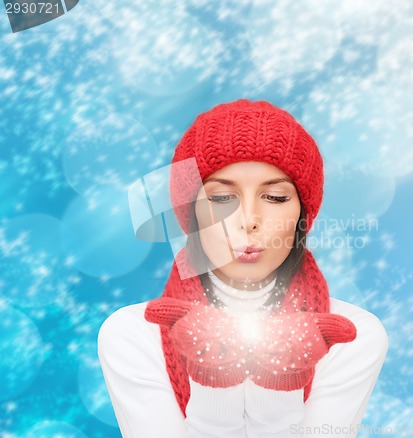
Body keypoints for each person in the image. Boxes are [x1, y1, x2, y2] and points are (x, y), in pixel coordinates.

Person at [97, 99, 388, 438]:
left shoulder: (351, 336)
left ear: (302, 216)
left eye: (276, 198)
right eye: (220, 199)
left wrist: (281, 381)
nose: (249, 221)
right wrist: (213, 383)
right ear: (189, 213)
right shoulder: (133, 335)